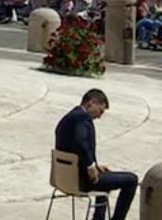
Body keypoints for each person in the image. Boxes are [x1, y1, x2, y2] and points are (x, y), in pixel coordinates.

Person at [54, 89, 136, 220]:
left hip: (63, 177)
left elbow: (73, 148)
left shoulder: (68, 117)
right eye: (100, 111)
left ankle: (98, 218)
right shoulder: (82, 118)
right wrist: (91, 166)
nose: (99, 116)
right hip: (81, 181)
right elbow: (80, 142)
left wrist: (96, 165)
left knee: (105, 176)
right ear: (91, 103)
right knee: (131, 180)